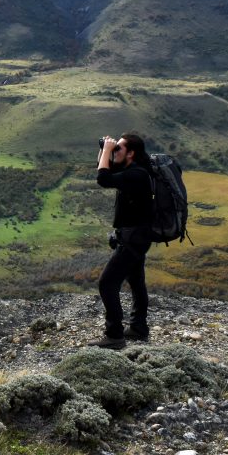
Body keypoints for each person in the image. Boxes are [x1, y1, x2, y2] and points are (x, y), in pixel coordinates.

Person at [90, 133, 154, 349]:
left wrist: (108, 150)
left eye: (119, 148)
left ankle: (115, 335)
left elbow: (103, 179)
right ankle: (138, 328)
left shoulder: (137, 175)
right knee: (136, 282)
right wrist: (105, 149)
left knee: (107, 283)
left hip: (133, 239)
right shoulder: (132, 171)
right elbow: (104, 169)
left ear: (131, 153)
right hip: (136, 237)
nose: (115, 150)